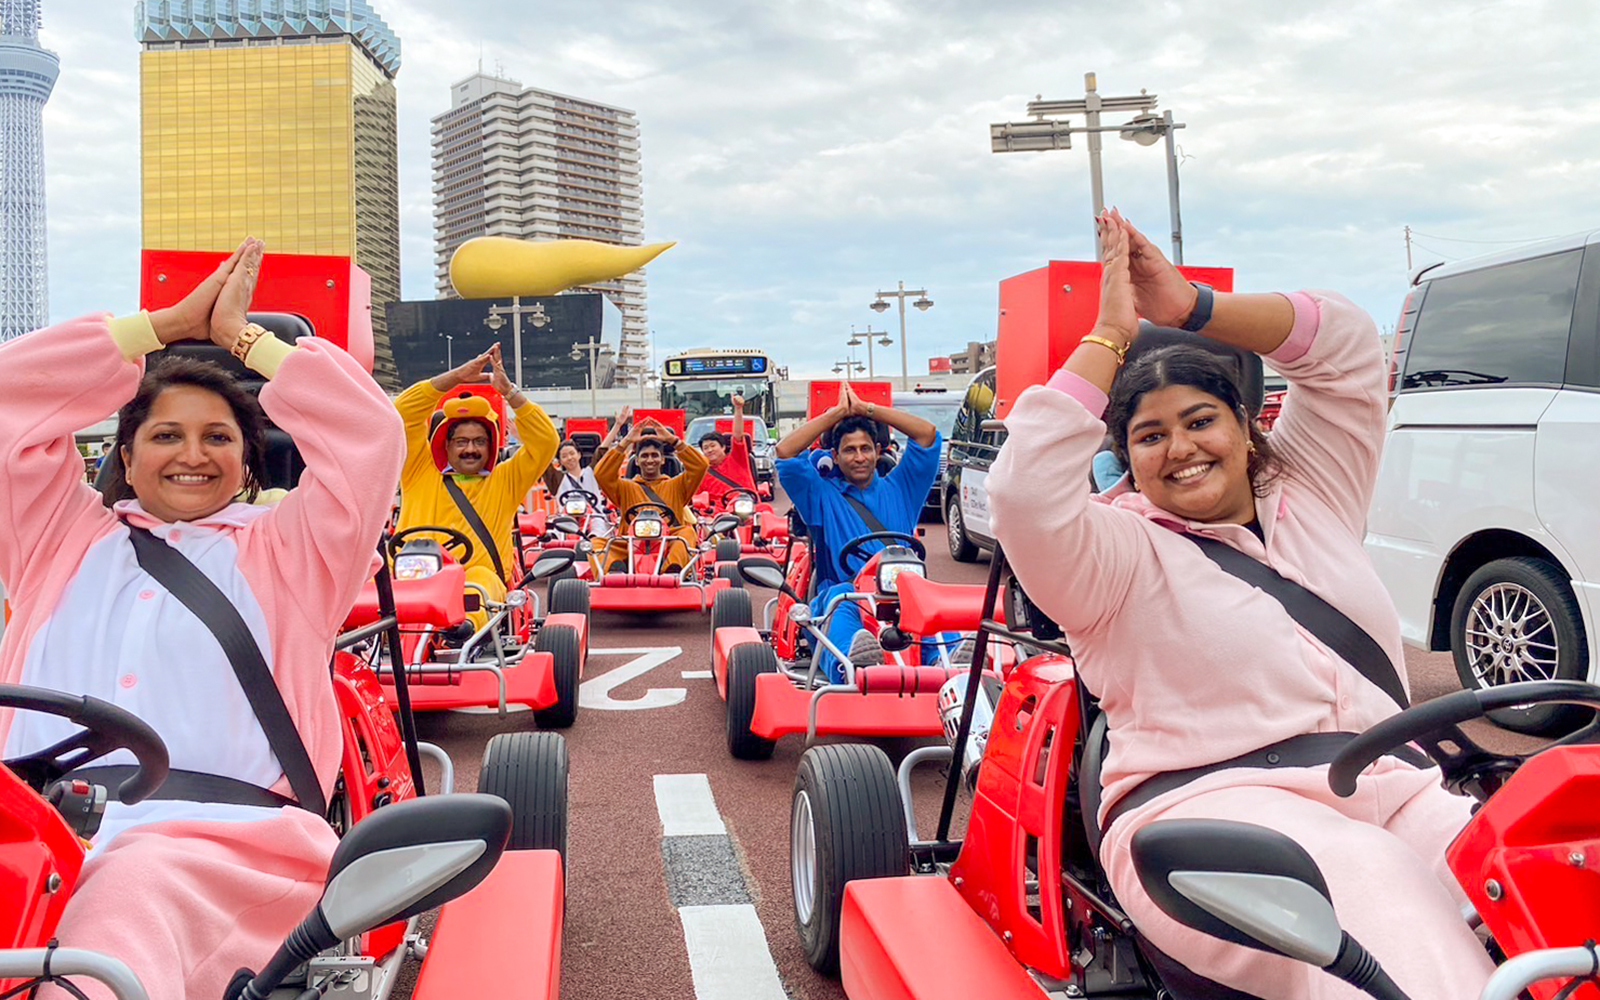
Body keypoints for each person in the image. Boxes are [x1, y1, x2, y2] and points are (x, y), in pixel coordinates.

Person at [988, 210, 1491, 998]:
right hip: (1204, 815)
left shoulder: (1313, 490)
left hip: (1399, 787)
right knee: (1379, 889)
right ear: (1126, 456)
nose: (1180, 448)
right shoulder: (1113, 552)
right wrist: (1112, 331)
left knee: (1544, 868)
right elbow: (1022, 493)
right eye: (1149, 436)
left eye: (1198, 420)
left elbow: (1348, 343)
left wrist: (1190, 306)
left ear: (1246, 427)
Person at [0, 237, 406, 1000]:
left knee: (122, 894)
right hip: (25, 836)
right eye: (166, 435)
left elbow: (369, 437)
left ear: (249, 462)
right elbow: (5, 395)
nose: (193, 454)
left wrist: (244, 340)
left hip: (223, 848)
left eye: (218, 436)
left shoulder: (292, 554)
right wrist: (158, 327)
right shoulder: (56, 536)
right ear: (125, 450)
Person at [775, 385, 940, 683]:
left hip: (902, 596)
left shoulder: (902, 488)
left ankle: (949, 661)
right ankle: (853, 669)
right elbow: (786, 452)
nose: (859, 457)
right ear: (835, 457)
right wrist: (837, 414)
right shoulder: (820, 495)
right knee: (840, 597)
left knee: (930, 599)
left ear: (878, 452)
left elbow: (927, 434)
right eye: (850, 450)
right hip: (844, 596)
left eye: (865, 449)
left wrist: (866, 409)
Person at [393, 343, 559, 628]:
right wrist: (455, 377)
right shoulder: (418, 470)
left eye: (479, 441)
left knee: (476, 587)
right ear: (446, 444)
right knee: (368, 584)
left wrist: (509, 392)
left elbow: (546, 441)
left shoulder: (506, 478)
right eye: (461, 442)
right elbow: (402, 413)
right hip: (410, 575)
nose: (470, 449)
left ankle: (458, 636)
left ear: (491, 444)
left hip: (476, 580)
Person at [593, 416, 707, 574]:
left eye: (655, 455)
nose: (650, 460)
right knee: (595, 543)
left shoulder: (677, 485)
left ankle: (672, 571)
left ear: (662, 461)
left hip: (668, 544)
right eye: (645, 456)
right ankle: (614, 572)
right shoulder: (625, 487)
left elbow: (701, 466)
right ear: (637, 461)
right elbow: (601, 474)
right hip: (630, 544)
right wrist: (625, 442)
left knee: (687, 532)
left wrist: (673, 440)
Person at [697, 393, 759, 508]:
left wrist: (738, 409)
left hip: (748, 508)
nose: (709, 450)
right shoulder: (701, 475)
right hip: (720, 516)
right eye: (705, 448)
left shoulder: (737, 458)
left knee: (766, 513)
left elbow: (738, 435)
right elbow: (696, 500)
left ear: (723, 447)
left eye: (712, 446)